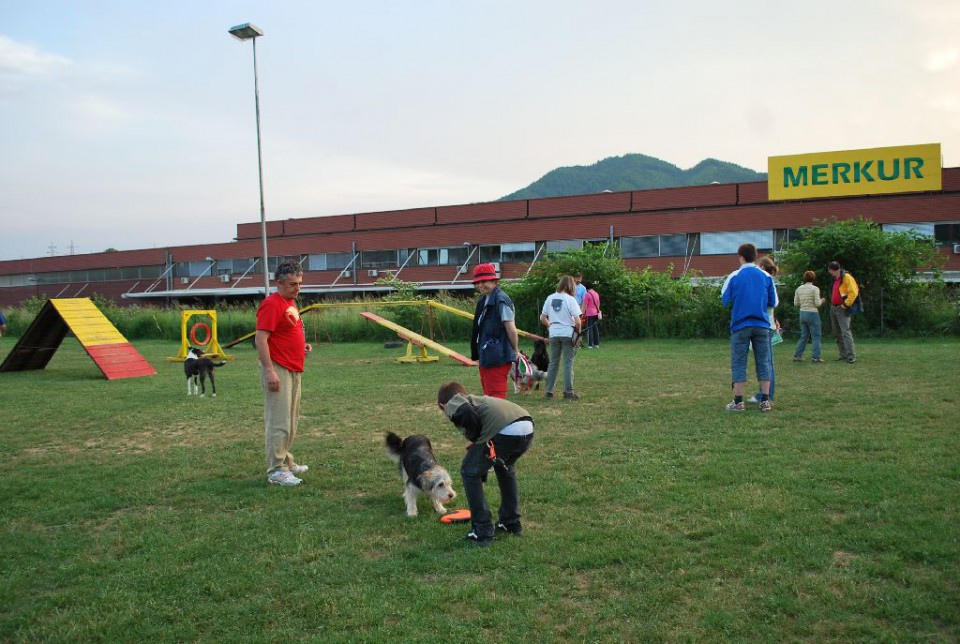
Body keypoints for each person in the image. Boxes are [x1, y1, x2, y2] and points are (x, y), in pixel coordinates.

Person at [438, 381, 534, 547]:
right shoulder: (478, 400)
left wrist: (477, 440)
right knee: (504, 468)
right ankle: (511, 522)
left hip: (504, 431)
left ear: (442, 405)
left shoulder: (454, 402)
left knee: (469, 471)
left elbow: (466, 412)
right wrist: (478, 441)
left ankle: (482, 530)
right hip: (526, 427)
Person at [256, 261, 313, 486]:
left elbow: (287, 333)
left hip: (294, 367)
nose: (297, 288)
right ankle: (276, 470)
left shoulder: (289, 302)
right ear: (278, 283)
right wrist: (270, 371)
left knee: (291, 420)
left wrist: (302, 346)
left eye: (299, 283)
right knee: (279, 421)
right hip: (278, 368)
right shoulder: (271, 304)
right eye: (292, 284)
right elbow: (261, 338)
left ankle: (286, 460)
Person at [721, 243, 776, 412]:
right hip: (761, 325)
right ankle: (765, 400)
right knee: (763, 362)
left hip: (740, 325)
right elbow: (773, 302)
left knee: (739, 362)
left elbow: (724, 299)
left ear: (741, 256)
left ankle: (738, 401)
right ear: (755, 255)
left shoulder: (735, 276)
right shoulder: (766, 276)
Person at [470, 263, 520, 399]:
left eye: (484, 281)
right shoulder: (483, 300)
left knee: (497, 399)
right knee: (488, 397)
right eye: (477, 282)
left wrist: (515, 351)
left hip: (498, 358)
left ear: (495, 281)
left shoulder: (501, 300)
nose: (480, 285)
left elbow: (511, 330)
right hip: (486, 356)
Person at [540, 275, 582, 400]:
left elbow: (542, 318)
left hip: (553, 334)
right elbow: (578, 321)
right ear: (571, 285)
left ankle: (549, 391)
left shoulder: (550, 298)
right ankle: (568, 392)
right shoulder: (570, 299)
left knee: (553, 363)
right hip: (567, 333)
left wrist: (550, 326)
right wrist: (578, 335)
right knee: (568, 363)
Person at [748, 257, 780, 404]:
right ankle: (765, 393)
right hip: (768, 324)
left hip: (765, 326)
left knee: (766, 362)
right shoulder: (768, 281)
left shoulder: (765, 281)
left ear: (761, 266)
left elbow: (769, 303)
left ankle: (766, 394)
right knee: (765, 361)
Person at [827, 261, 860, 363]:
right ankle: (843, 354)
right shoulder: (836, 279)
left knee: (845, 332)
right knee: (837, 333)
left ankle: (851, 356)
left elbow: (853, 293)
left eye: (829, 270)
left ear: (831, 270)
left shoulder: (846, 277)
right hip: (834, 307)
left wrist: (845, 305)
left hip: (842, 308)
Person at [793, 270, 826, 363]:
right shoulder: (815, 289)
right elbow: (817, 303)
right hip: (813, 313)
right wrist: (822, 300)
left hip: (802, 313)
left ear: (804, 278)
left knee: (804, 335)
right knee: (816, 336)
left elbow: (796, 303)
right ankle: (816, 357)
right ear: (813, 278)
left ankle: (797, 355)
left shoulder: (799, 289)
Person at [582, 280, 602, 348]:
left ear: (586, 287)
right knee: (595, 328)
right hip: (596, 313)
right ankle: (596, 344)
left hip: (589, 313)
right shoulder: (596, 293)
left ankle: (590, 344)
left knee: (589, 329)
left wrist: (582, 313)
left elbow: (585, 305)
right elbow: (598, 304)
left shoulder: (587, 294)